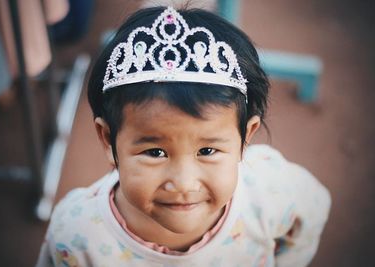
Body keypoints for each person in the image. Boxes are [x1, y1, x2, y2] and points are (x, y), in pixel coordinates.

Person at [36, 6, 331, 267]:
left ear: (246, 136)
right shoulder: (77, 234)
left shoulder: (269, 191)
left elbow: (313, 209)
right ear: (107, 139)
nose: (183, 183)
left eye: (207, 151)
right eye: (155, 152)